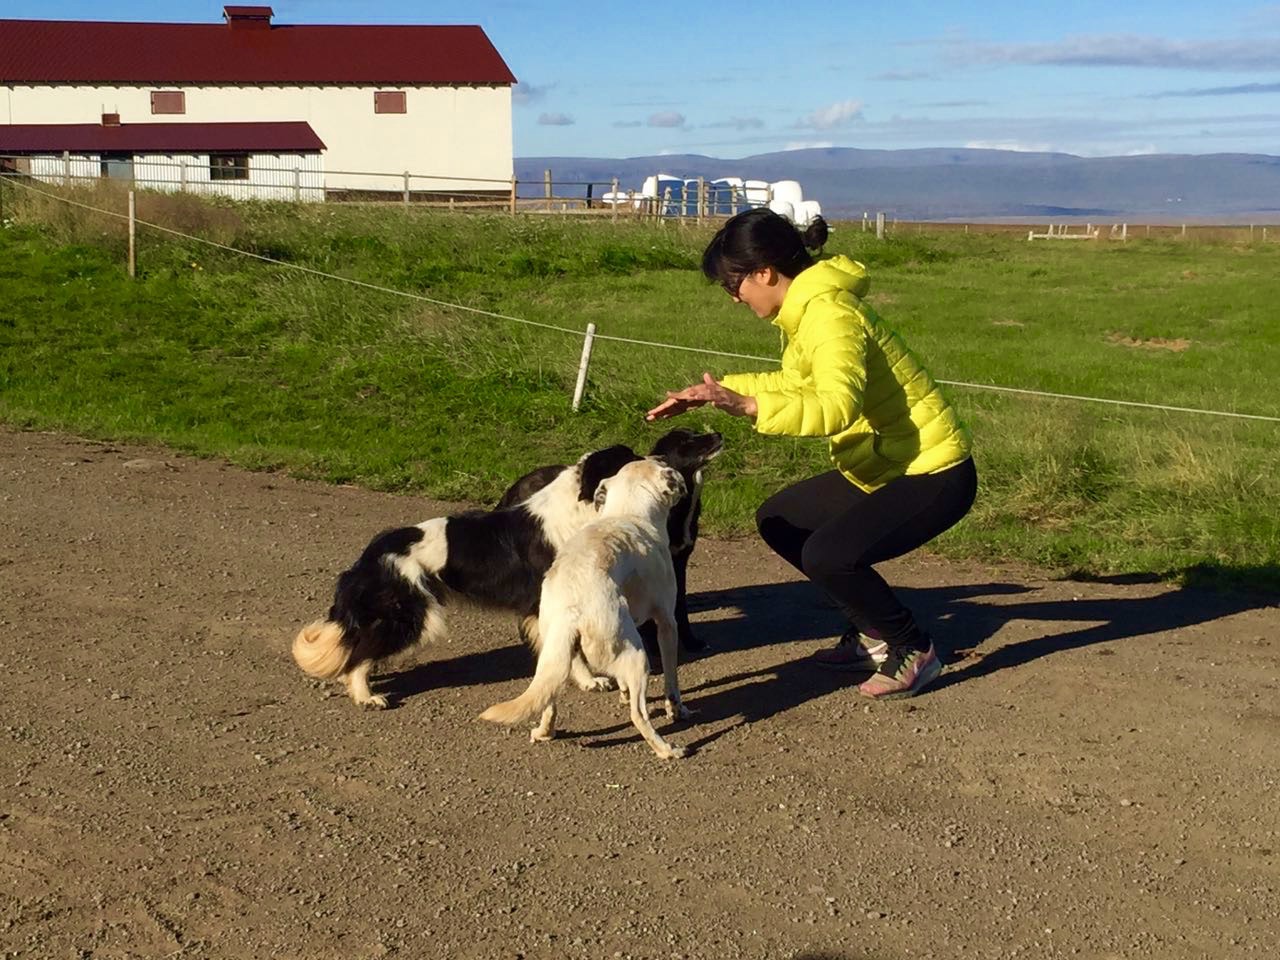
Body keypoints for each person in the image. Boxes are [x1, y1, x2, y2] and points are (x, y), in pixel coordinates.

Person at [646, 208, 976, 699]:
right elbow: (801, 383)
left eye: (732, 285)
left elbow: (835, 406)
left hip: (935, 471)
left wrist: (752, 406)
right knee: (782, 520)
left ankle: (913, 646)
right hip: (887, 463)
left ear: (764, 272)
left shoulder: (829, 314)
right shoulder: (807, 312)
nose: (734, 297)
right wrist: (717, 392)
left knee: (828, 554)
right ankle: (874, 634)